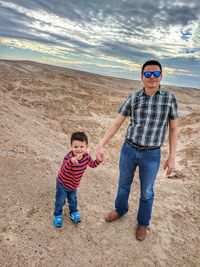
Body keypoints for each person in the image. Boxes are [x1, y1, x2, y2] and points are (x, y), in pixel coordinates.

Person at [96, 60, 178, 241]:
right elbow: (118, 122)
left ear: (161, 77)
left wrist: (172, 156)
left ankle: (143, 223)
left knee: (147, 191)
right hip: (129, 149)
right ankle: (120, 209)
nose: (151, 77)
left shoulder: (169, 99)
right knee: (123, 183)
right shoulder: (133, 98)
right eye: (147, 74)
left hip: (152, 154)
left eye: (155, 74)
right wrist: (101, 143)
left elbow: (173, 129)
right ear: (142, 77)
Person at [53, 131, 102, 228]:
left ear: (86, 146)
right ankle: (57, 214)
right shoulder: (69, 157)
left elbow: (92, 165)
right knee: (60, 201)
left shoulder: (86, 156)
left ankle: (73, 212)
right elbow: (64, 170)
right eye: (75, 147)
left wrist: (98, 161)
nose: (78, 149)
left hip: (74, 185)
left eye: (81, 147)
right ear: (71, 146)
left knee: (73, 200)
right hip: (62, 184)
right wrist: (71, 162)